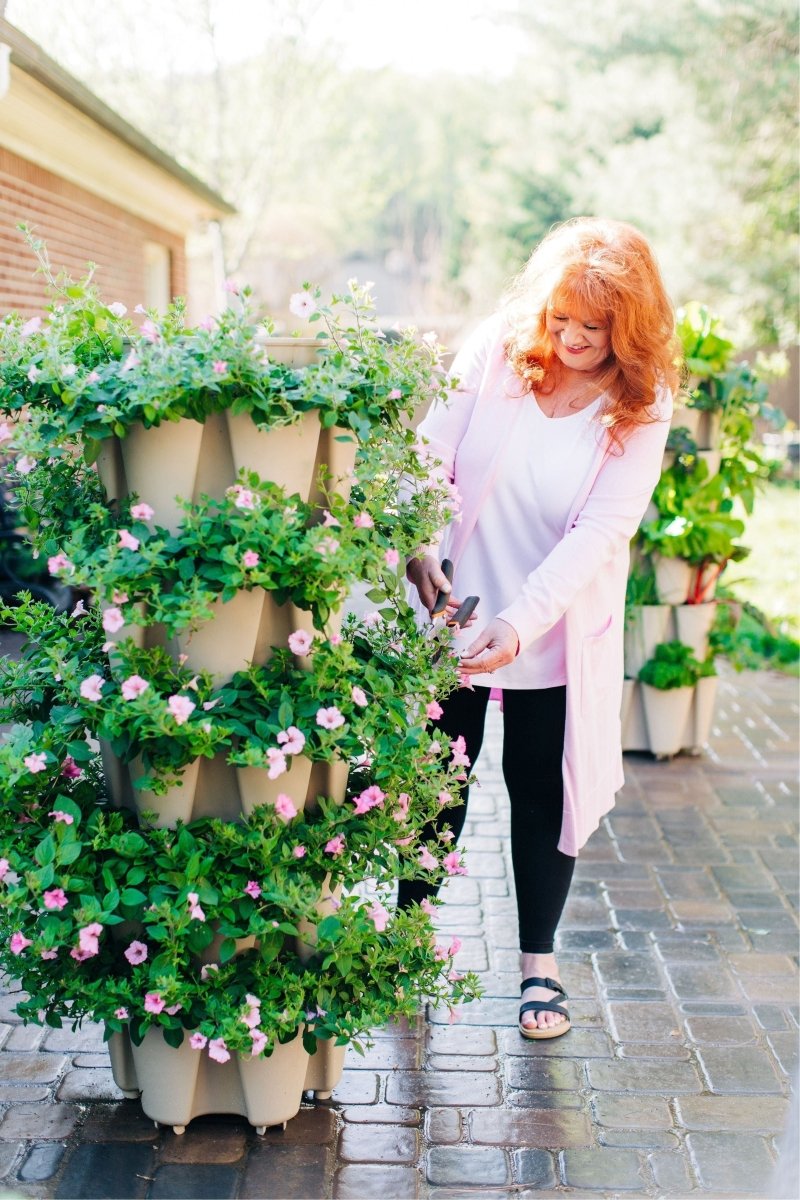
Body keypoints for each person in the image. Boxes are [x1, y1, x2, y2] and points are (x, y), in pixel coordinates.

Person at [399, 216, 679, 1039]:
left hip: (553, 624)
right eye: (561, 320)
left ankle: (538, 968)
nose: (572, 338)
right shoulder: (499, 349)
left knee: (540, 786)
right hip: (455, 609)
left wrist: (520, 626)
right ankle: (405, 945)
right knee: (433, 781)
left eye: (593, 326)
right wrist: (420, 548)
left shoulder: (643, 402)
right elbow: (430, 453)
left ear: (627, 327)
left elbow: (602, 531)